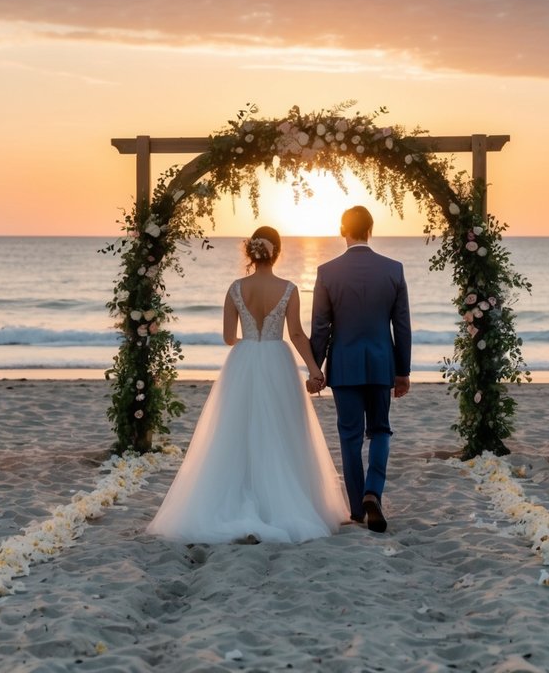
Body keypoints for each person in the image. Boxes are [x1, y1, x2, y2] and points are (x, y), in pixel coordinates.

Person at [147, 227, 349, 544]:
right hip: (277, 361)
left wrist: (247, 345)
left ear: (250, 253)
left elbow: (229, 337)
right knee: (280, 432)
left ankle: (238, 498)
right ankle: (281, 500)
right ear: (277, 252)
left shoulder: (235, 288)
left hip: (243, 361)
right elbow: (296, 334)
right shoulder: (289, 289)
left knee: (236, 431)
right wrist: (314, 370)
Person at [310, 206, 412, 533]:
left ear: (343, 230)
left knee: (349, 435)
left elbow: (321, 326)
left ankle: (357, 508)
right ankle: (373, 492)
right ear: (371, 229)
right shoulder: (393, 269)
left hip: (344, 365)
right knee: (380, 430)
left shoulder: (327, 272)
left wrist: (316, 368)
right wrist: (403, 370)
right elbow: (402, 326)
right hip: (382, 364)